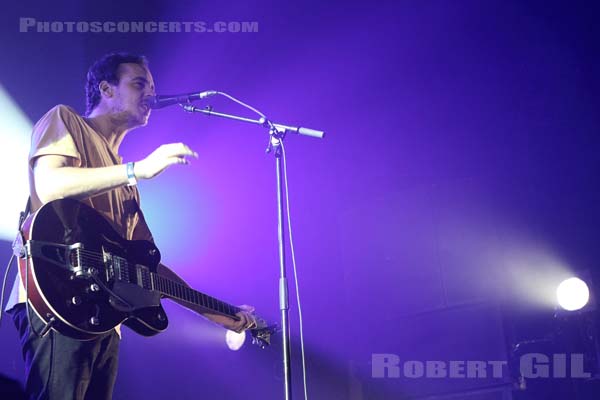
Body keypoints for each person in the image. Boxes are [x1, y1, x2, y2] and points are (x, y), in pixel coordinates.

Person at [4, 52, 256, 400]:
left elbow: (149, 268)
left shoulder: (125, 179)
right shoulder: (66, 120)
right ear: (106, 89)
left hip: (103, 314)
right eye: (139, 84)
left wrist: (215, 312)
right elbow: (49, 186)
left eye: (152, 87)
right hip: (55, 296)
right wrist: (136, 169)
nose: (151, 94)